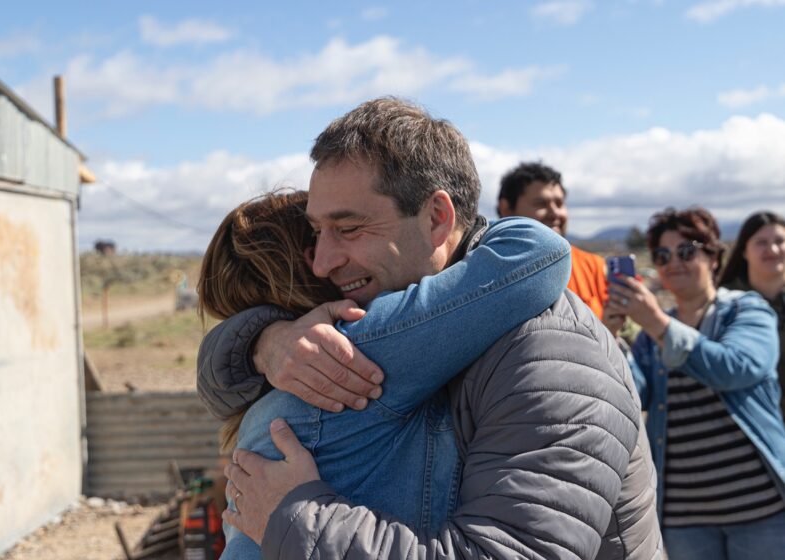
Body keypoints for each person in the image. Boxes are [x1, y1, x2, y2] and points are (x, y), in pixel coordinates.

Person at [203, 97, 661, 559]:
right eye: (316, 233)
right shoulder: (369, 334)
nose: (322, 263)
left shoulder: (552, 354)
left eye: (349, 228)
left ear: (437, 218)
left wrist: (296, 519)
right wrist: (263, 342)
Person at [199, 190, 572, 559]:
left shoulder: (270, 389)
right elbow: (539, 252)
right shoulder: (351, 350)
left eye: (346, 230)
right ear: (306, 265)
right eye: (320, 237)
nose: (331, 257)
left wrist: (261, 340)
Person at [606, 207, 785, 559]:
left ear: (714, 257)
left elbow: (737, 367)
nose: (674, 262)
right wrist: (610, 338)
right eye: (662, 255)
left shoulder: (747, 310)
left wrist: (657, 324)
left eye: (686, 251)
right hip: (684, 517)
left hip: (760, 509)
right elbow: (633, 396)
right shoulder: (652, 334)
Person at [497, 162, 622, 334]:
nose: (555, 212)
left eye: (559, 203)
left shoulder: (594, 268)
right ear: (506, 209)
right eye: (540, 203)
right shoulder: (488, 273)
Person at [719, 211, 785, 418]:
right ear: (744, 251)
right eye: (761, 243)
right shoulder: (724, 306)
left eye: (780, 241)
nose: (772, 249)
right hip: (750, 425)